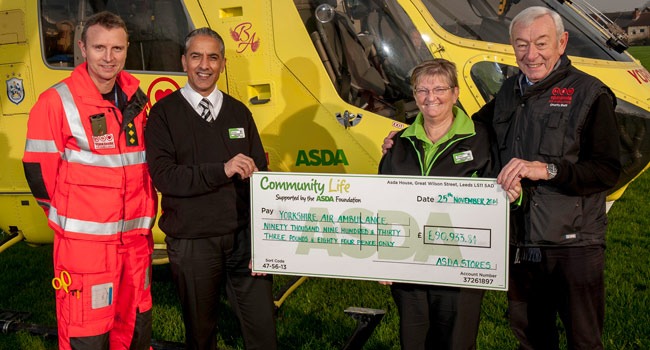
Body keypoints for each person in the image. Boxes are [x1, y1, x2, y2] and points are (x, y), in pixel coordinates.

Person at [384, 6, 621, 350]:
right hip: (519, 241)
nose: (531, 54)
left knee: (583, 339)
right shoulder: (510, 92)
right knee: (530, 335)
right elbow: (460, 128)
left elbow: (606, 171)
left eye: (541, 43)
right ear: (512, 46)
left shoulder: (589, 94)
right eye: (522, 44)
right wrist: (405, 138)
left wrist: (547, 170)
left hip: (573, 244)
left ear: (562, 42)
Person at [22, 11, 157, 350]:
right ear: (82, 47)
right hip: (86, 250)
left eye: (117, 48)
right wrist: (68, 220)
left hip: (135, 244)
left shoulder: (137, 101)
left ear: (127, 49)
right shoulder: (56, 102)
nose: (108, 58)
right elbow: (40, 172)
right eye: (99, 47)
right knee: (88, 333)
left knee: (135, 328)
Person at [144, 27, 277, 350]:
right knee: (201, 335)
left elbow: (261, 177)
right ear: (184, 62)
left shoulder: (238, 112)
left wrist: (263, 239)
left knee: (264, 332)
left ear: (223, 64)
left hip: (243, 241)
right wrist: (222, 170)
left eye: (213, 57)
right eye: (196, 56)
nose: (204, 65)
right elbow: (166, 177)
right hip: (193, 243)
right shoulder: (163, 114)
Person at [378, 59, 521, 350]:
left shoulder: (482, 138)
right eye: (422, 90)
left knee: (456, 342)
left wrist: (514, 198)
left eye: (439, 88)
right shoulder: (400, 142)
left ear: (455, 93)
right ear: (414, 95)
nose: (431, 97)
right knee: (413, 342)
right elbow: (383, 202)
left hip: (461, 265)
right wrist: (383, 257)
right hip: (410, 265)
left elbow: (502, 200)